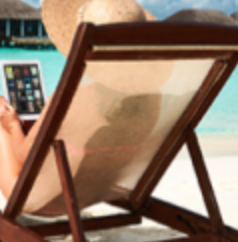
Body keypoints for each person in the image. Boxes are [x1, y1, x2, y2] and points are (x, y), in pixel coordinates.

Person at [0, 0, 175, 213]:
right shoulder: (151, 100)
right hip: (95, 193)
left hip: (39, 200)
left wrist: (12, 125)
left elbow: (25, 157)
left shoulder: (72, 98)